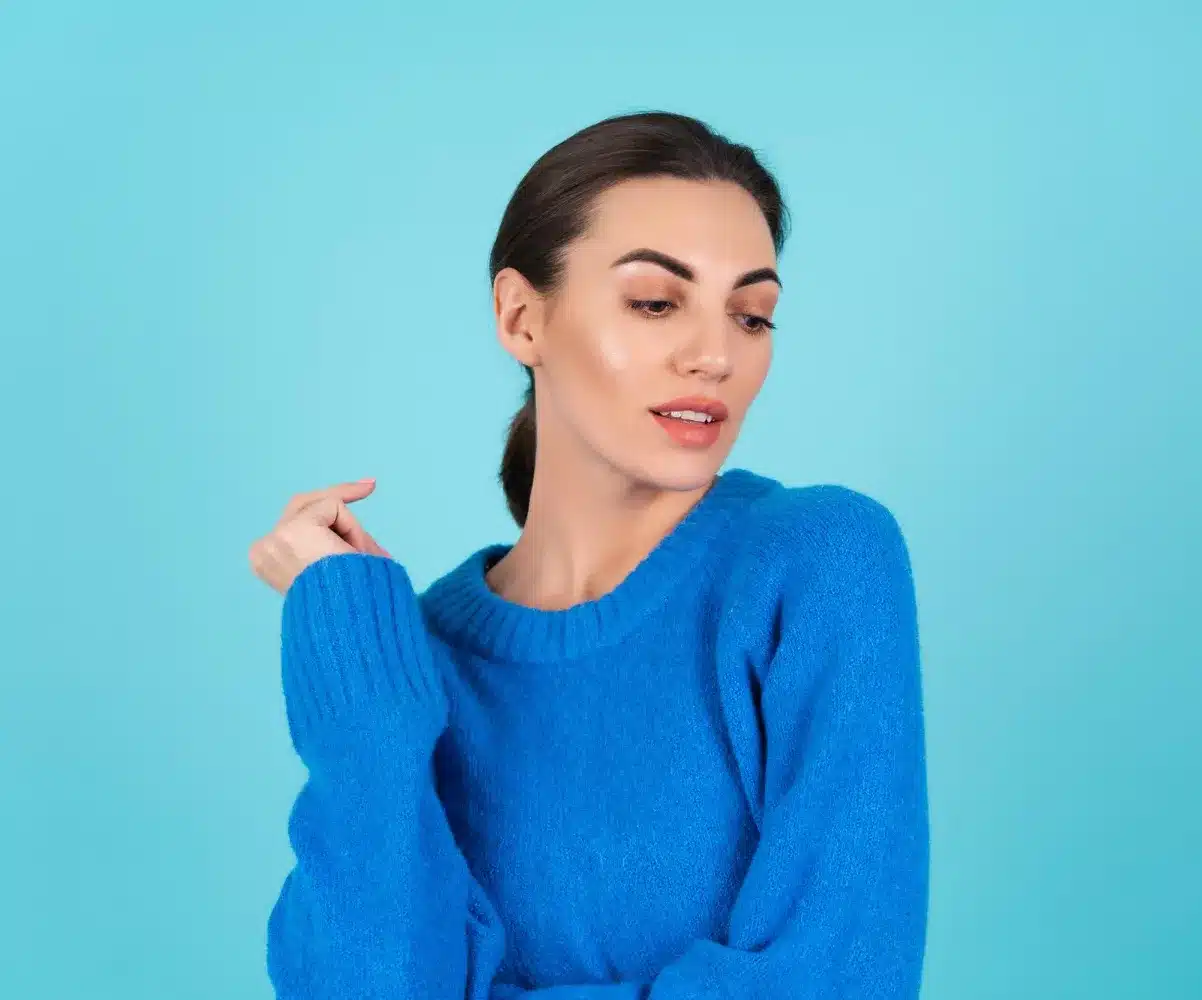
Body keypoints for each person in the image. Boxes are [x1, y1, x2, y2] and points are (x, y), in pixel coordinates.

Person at [247, 110, 929, 999]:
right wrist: (360, 671)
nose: (715, 356)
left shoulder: (818, 563)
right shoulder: (417, 664)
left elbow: (839, 982)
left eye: (751, 316)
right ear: (521, 317)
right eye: (656, 303)